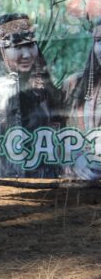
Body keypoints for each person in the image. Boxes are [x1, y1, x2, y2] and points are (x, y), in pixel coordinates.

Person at [0, 13, 61, 178]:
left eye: (30, 44)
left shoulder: (42, 89)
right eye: (17, 47)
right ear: (1, 51)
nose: (27, 54)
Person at [61, 18, 101, 179]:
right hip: (77, 181)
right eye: (99, 41)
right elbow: (57, 134)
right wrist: (76, 159)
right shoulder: (73, 84)